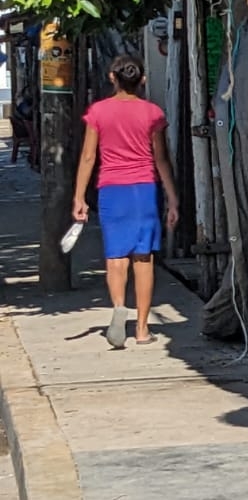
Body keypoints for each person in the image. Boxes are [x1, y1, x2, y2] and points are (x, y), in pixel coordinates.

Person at [72, 55, 179, 348]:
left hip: (111, 191)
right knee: (143, 258)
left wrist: (79, 197)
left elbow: (89, 157)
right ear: (142, 80)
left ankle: (119, 306)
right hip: (144, 189)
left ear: (112, 77)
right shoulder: (152, 113)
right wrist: (173, 199)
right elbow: (161, 159)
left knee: (115, 257)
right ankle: (143, 330)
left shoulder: (98, 112)